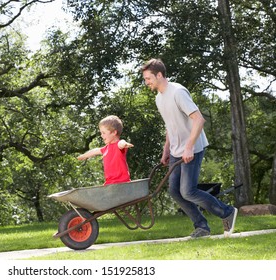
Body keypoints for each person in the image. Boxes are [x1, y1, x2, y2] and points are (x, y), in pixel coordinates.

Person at [141, 58, 238, 238]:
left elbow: (199, 120)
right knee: (175, 191)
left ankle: (227, 212)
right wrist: (166, 149)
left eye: (148, 78)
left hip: (192, 147)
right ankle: (201, 226)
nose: (146, 82)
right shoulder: (159, 99)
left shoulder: (178, 92)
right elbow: (171, 126)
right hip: (176, 150)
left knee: (188, 191)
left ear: (159, 75)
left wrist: (189, 148)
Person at [77, 115, 134, 185]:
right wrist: (84, 156)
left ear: (114, 132)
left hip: (122, 183)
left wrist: (124, 144)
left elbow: (121, 143)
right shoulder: (106, 149)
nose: (101, 135)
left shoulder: (118, 146)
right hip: (109, 184)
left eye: (103, 133)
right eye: (101, 133)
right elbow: (94, 151)